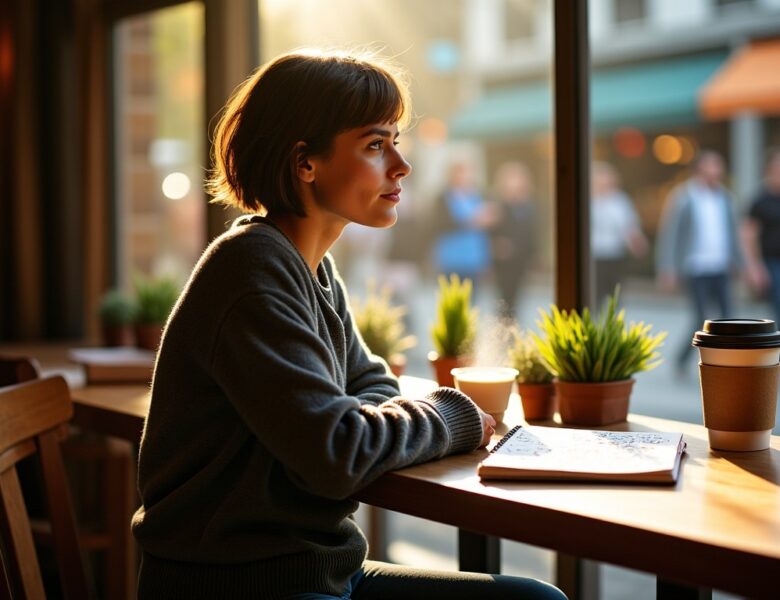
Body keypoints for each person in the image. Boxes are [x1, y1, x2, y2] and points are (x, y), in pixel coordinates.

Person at [131, 49, 566, 600]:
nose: (401, 166)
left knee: (537, 599)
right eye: (374, 145)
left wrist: (361, 427)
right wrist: (450, 413)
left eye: (395, 143)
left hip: (320, 570)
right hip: (238, 584)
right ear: (305, 162)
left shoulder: (311, 267)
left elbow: (371, 385)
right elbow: (337, 453)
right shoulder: (251, 270)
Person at [656, 150, 742, 373]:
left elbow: (733, 233)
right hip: (695, 266)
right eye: (710, 167)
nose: (715, 171)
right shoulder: (684, 197)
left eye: (718, 167)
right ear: (699, 170)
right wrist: (668, 268)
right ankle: (683, 358)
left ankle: (727, 361)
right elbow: (670, 234)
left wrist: (739, 263)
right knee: (701, 317)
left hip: (720, 265)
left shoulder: (726, 197)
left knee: (728, 317)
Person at [590, 162, 648, 307]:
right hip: (594, 255)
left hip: (615, 255)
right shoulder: (588, 200)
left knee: (614, 295)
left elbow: (629, 225)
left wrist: (637, 243)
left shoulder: (620, 201)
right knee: (594, 295)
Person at [431, 161, 494, 287]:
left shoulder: (478, 195)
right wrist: (470, 221)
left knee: (471, 298)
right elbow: (438, 225)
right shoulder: (443, 198)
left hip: (474, 258)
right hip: (450, 258)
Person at [489, 160, 537, 319]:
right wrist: (496, 245)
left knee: (516, 300)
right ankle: (504, 331)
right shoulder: (498, 206)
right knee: (504, 300)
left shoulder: (528, 207)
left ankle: (512, 330)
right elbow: (490, 232)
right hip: (503, 263)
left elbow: (531, 235)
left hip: (520, 260)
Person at [742, 149, 780, 322]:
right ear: (769, 170)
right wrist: (754, 267)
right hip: (772, 263)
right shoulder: (760, 201)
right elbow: (748, 236)